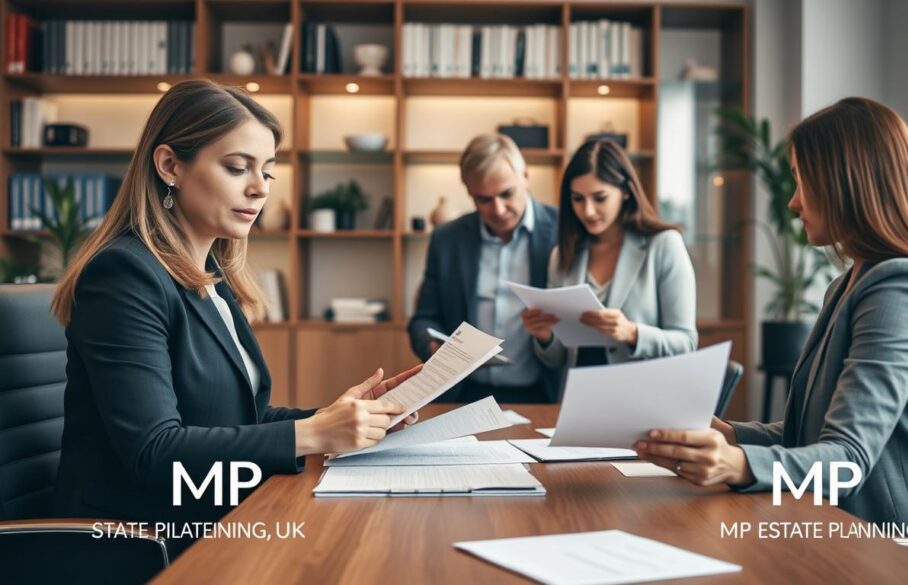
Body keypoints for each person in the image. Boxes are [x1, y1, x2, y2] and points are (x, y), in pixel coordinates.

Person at [51, 80, 419, 557]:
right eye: (237, 167)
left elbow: (239, 419)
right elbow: (154, 452)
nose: (259, 188)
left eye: (268, 172)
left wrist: (343, 417)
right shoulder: (124, 275)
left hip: (215, 516)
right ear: (170, 166)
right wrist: (314, 434)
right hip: (141, 541)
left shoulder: (210, 276)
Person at [634, 97, 908, 531]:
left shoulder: (905, 288)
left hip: (878, 542)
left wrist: (739, 464)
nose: (793, 203)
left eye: (802, 181)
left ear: (846, 184)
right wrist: (730, 436)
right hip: (823, 521)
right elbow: (814, 436)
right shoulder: (850, 284)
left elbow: (847, 463)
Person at [522, 140, 697, 383]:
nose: (588, 211)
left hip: (643, 400)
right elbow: (557, 360)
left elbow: (686, 343)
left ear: (626, 191)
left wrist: (632, 332)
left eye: (600, 198)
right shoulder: (563, 255)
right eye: (577, 199)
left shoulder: (664, 245)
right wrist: (544, 336)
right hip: (579, 399)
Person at [407, 134, 559, 403]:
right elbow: (423, 319)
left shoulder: (563, 232)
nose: (498, 209)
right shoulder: (446, 239)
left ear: (525, 175)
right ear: (469, 193)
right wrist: (434, 348)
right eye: (484, 200)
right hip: (462, 393)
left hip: (544, 393)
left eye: (506, 194)